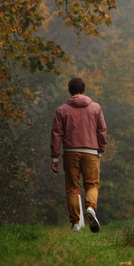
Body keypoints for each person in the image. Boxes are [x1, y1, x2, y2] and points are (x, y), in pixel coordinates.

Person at [50, 77, 107, 233]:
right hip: (91, 152)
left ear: (69, 91)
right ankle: (90, 208)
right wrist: (100, 149)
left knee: (72, 188)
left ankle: (76, 223)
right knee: (92, 185)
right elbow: (101, 130)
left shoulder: (62, 110)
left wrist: (55, 157)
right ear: (84, 90)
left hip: (70, 152)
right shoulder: (96, 108)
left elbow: (56, 134)